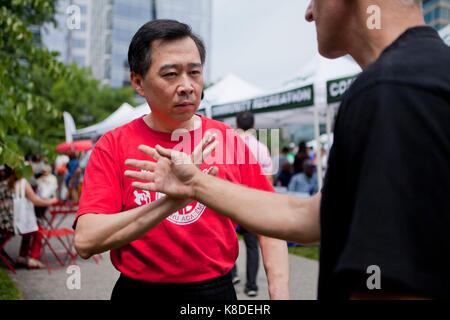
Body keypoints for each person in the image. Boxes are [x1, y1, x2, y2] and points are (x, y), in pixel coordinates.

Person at [125, 1, 450, 300]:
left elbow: (395, 285)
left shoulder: (394, 90)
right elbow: (310, 217)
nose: (309, 12)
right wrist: (195, 183)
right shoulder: (416, 77)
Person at [73, 19, 289, 301]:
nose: (187, 86)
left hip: (215, 292)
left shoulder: (227, 140)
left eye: (194, 72)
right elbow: (86, 240)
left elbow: (271, 222)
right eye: (171, 74)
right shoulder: (113, 145)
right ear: (138, 82)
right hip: (139, 292)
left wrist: (280, 294)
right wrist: (173, 201)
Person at [230, 111, 274, 297]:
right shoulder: (261, 148)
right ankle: (251, 285)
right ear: (254, 126)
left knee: (228, 239)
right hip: (253, 202)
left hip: (230, 200)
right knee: (251, 245)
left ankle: (231, 275)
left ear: (236, 124)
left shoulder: (228, 145)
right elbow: (269, 178)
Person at [4, 166, 58, 269]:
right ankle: (34, 258)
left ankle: (22, 256)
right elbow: (35, 200)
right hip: (19, 222)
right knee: (38, 231)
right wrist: (51, 201)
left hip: (11, 222)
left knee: (29, 231)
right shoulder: (23, 182)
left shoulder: (7, 183)